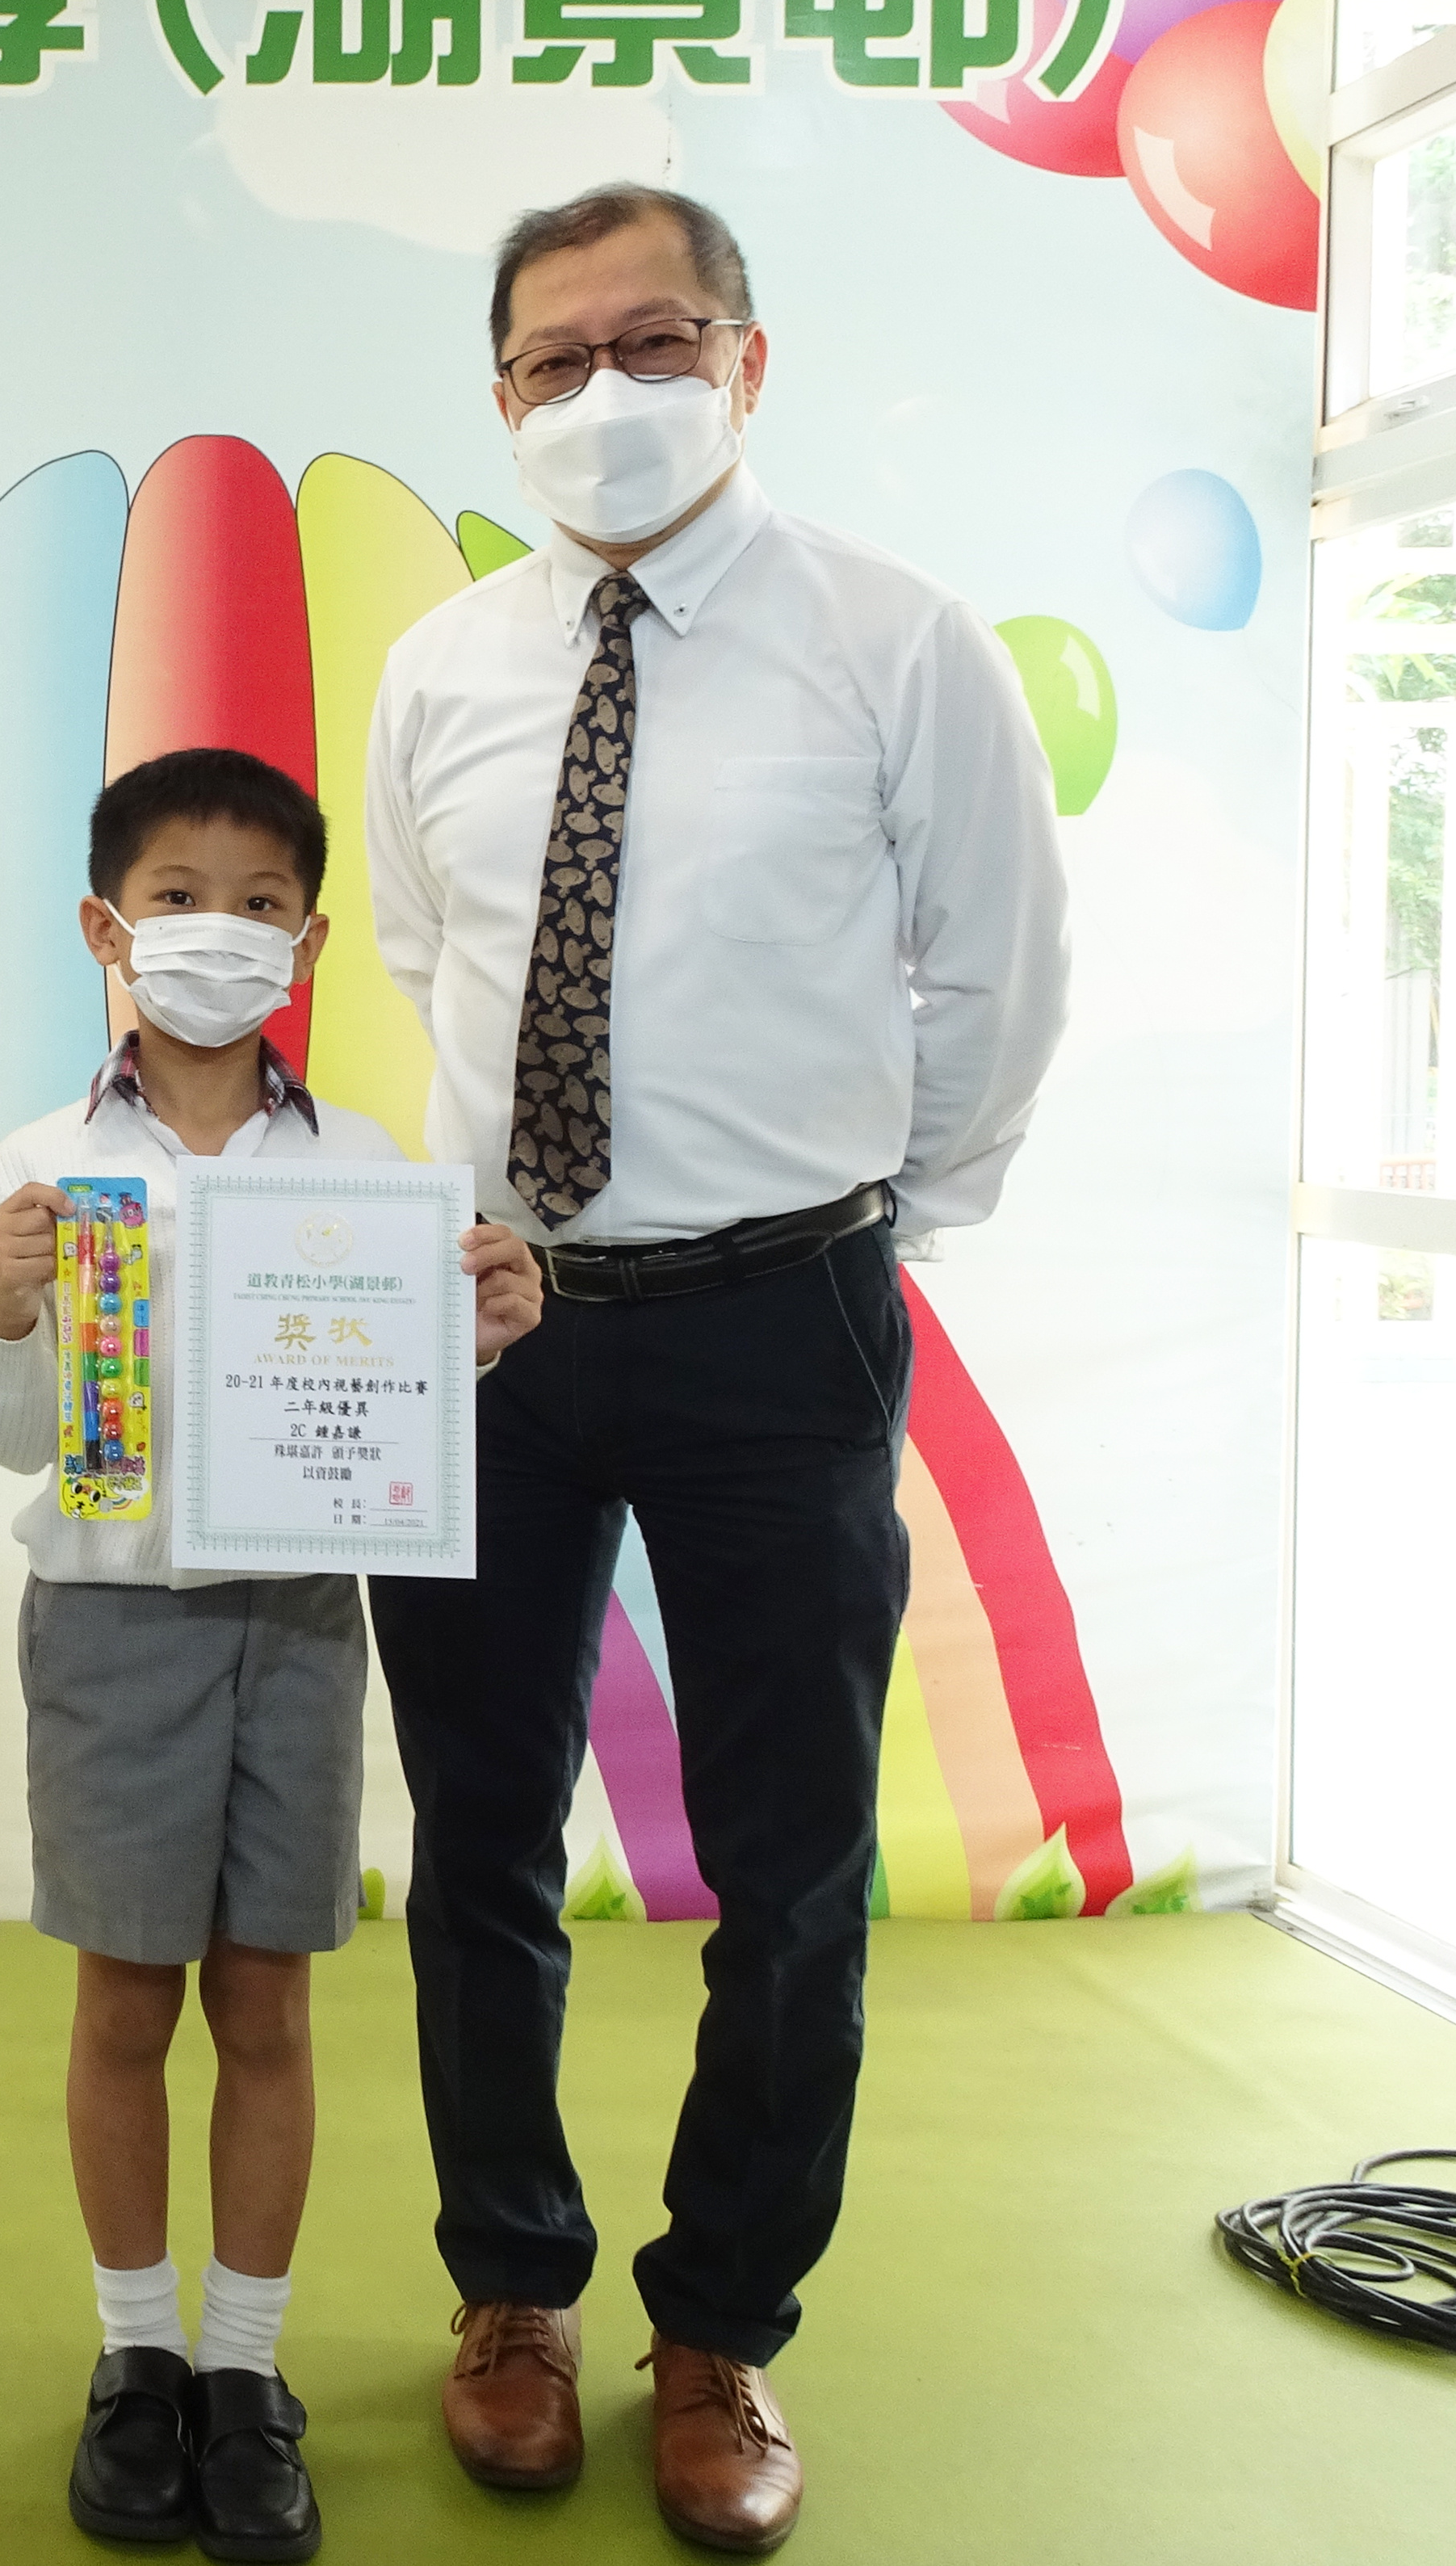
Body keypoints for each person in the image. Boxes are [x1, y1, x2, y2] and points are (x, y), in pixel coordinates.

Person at [358, 183, 1069, 2555]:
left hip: (787, 1311)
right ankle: (512, 2286)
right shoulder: (443, 667)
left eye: (653, 340)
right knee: (480, 1836)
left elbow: (995, 972)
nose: (606, 391)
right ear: (500, 397)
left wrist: (880, 1226)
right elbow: (438, 955)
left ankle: (723, 2323)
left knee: (790, 1864)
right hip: (494, 1317)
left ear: (749, 362)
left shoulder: (896, 638)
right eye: (553, 359)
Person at [0, 749, 542, 2564]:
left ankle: (242, 2368)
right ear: (106, 927)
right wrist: (9, 1305)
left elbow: (399, 1420)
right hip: (109, 1620)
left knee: (268, 2002)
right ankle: (137, 2358)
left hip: (299, 1621)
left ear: (311, 940)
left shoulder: (367, 1173)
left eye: (262, 903)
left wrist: (483, 1334)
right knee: (126, 2002)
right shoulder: (40, 1166)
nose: (220, 929)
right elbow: (0, 1433)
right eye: (179, 896)